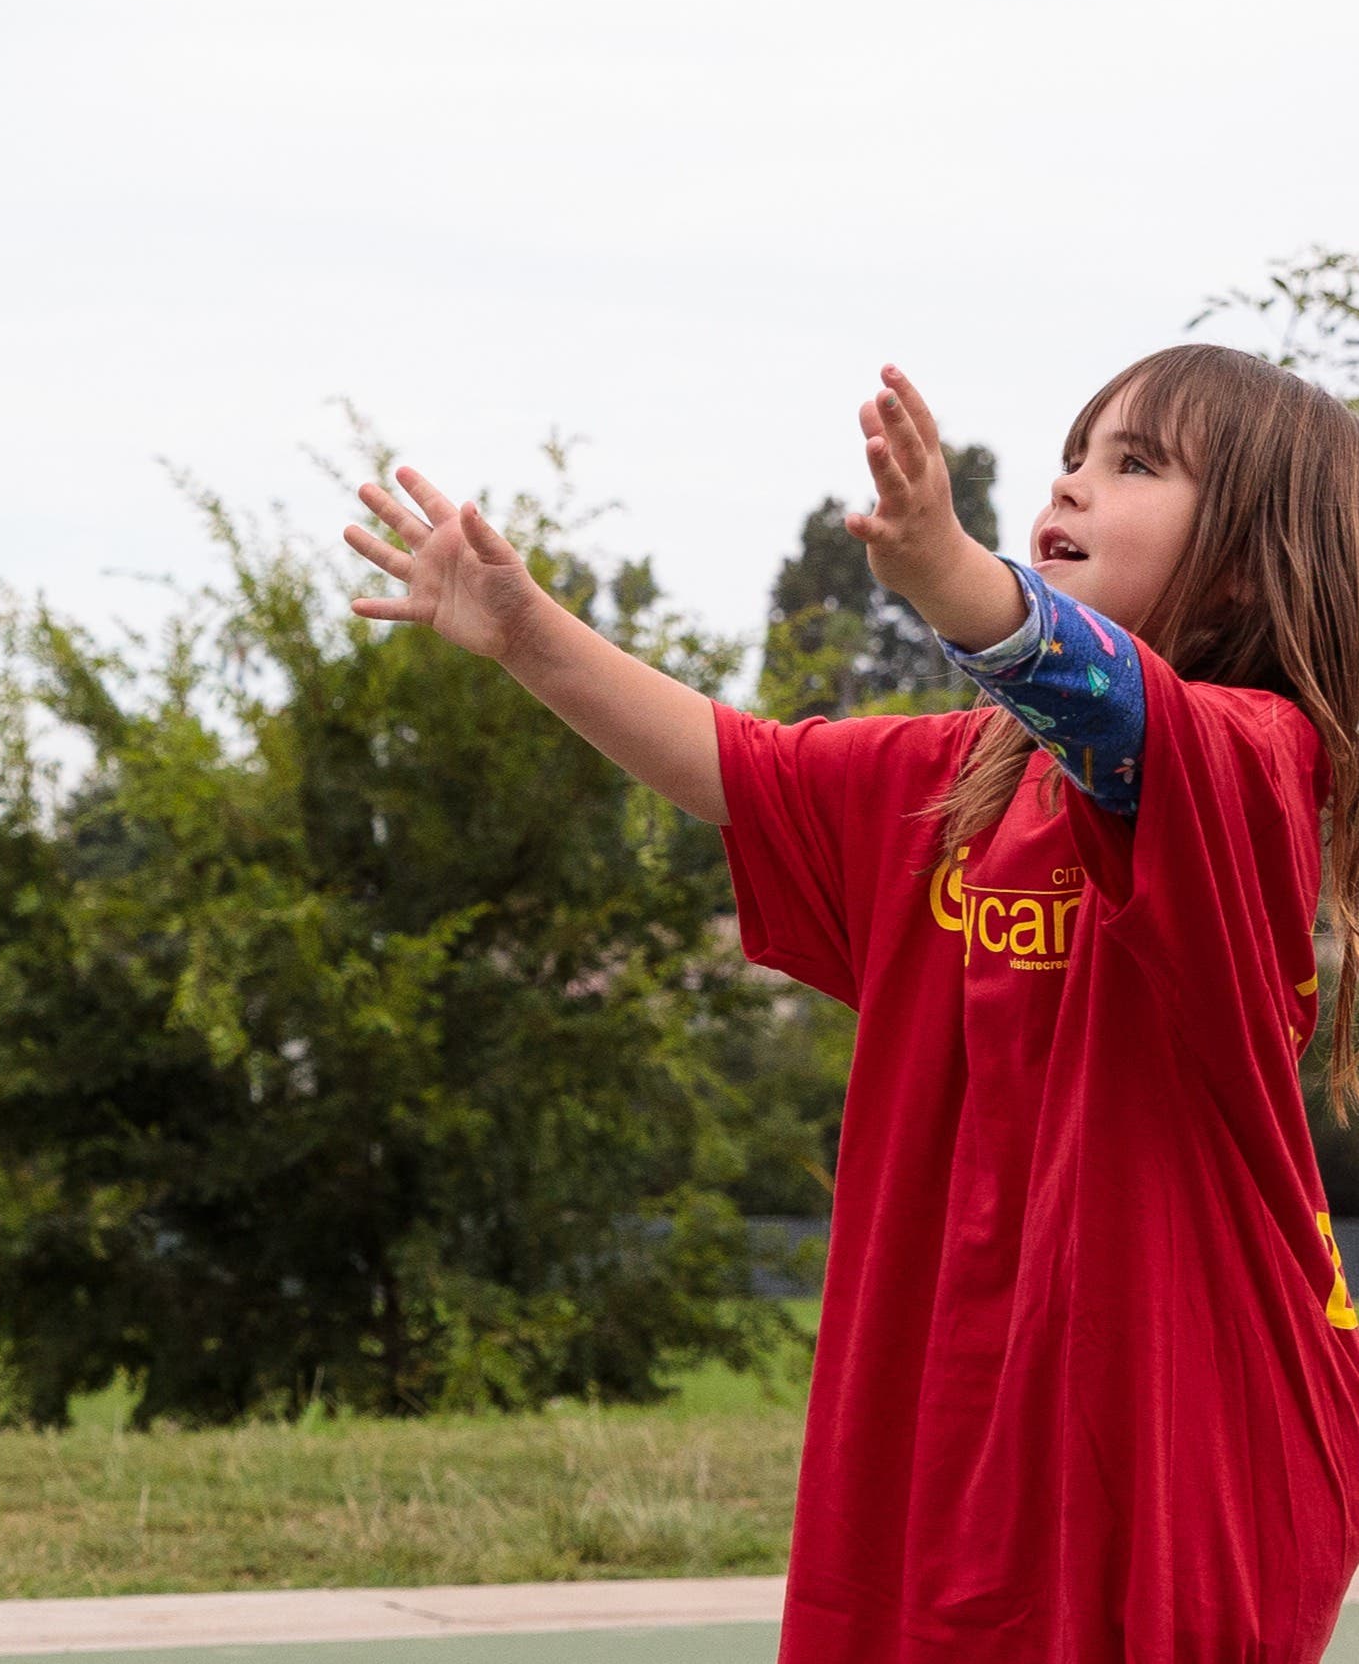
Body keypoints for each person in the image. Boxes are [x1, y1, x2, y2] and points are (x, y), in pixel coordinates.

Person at [347, 346, 1359, 1660]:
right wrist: (524, 629)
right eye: (1075, 452)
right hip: (954, 1431)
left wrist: (948, 574)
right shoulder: (959, 785)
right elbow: (741, 769)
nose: (1074, 483)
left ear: (1242, 561)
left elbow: (1107, 705)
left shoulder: (1248, 762)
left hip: (1183, 1432)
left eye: (1136, 464)